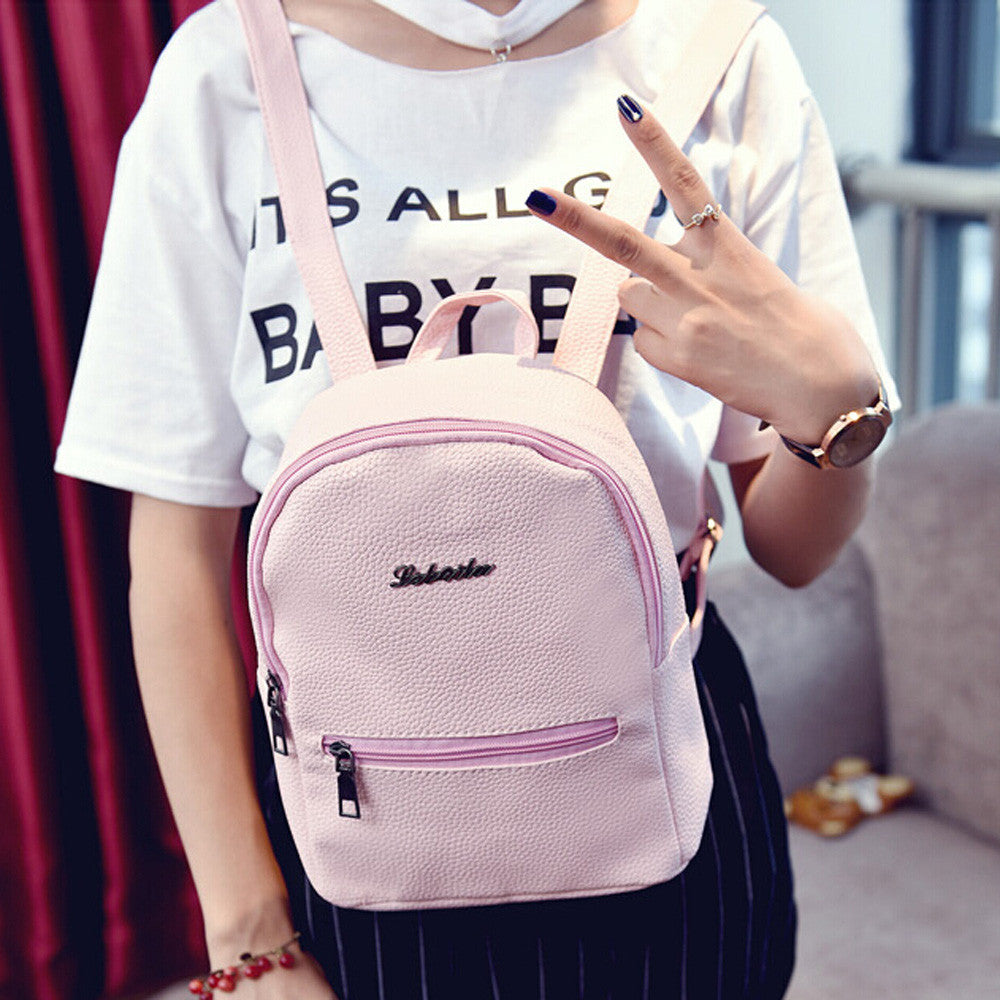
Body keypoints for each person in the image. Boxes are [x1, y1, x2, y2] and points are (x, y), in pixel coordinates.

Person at [55, 0, 899, 997]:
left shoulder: (720, 51)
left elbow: (795, 549)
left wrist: (836, 411)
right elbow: (175, 558)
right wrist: (247, 935)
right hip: (360, 781)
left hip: (664, 749)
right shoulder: (227, 69)